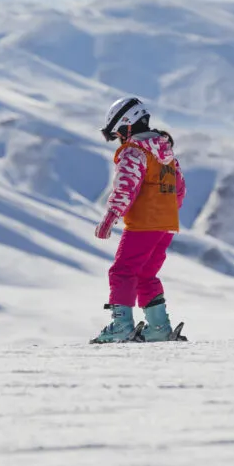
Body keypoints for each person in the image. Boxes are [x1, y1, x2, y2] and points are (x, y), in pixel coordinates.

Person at [92, 97, 187, 343]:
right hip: (167, 224)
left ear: (128, 125)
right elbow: (179, 189)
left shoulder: (134, 151)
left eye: (118, 134)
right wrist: (165, 214)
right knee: (146, 274)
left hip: (144, 223)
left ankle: (121, 326)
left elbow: (126, 185)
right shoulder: (166, 153)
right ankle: (158, 328)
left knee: (122, 271)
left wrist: (111, 215)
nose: (120, 140)